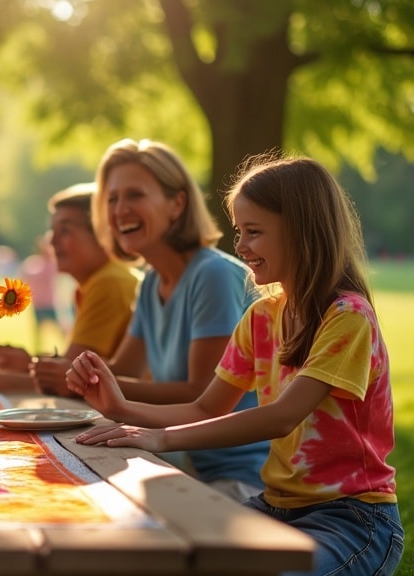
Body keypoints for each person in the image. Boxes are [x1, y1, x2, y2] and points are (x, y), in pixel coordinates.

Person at [68, 154, 403, 576]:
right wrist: (120, 409)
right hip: (274, 505)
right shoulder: (262, 318)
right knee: (179, 556)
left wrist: (161, 439)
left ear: (302, 231)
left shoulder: (347, 317)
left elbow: (282, 417)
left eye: (255, 232)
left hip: (351, 518)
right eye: (239, 231)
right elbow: (206, 408)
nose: (241, 246)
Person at [85, 138, 268, 502]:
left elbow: (198, 392)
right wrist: (64, 372)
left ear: (177, 203)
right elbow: (125, 369)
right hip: (182, 461)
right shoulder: (152, 280)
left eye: (134, 195)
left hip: (240, 479)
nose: (120, 210)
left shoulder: (212, 274)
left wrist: (101, 390)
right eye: (112, 199)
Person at [0, 183, 140, 396]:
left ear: (102, 235)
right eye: (52, 230)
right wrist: (30, 364)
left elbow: (71, 382)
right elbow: (71, 369)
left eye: (65, 230)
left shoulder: (110, 283)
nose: (51, 240)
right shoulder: (96, 283)